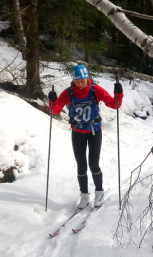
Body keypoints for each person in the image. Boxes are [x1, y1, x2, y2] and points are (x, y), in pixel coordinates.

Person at [48, 65, 123, 210]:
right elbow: (55, 111)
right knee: (81, 165)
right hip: (77, 132)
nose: (80, 84)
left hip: (94, 131)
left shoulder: (95, 90)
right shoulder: (68, 93)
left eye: (82, 80)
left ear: (87, 78)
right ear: (73, 81)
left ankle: (99, 192)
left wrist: (118, 93)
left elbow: (114, 104)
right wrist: (53, 101)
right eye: (77, 81)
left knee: (93, 164)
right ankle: (84, 196)